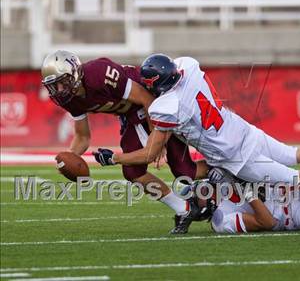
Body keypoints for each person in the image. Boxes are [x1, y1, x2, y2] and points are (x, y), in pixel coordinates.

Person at [93, 53, 300, 233]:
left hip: (234, 155)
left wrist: (114, 159)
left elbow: (151, 152)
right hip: (241, 129)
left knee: (292, 176)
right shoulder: (189, 67)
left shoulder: (165, 107)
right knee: (295, 153)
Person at [41, 50, 207, 233]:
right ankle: (184, 209)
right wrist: (69, 158)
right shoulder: (70, 100)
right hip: (132, 115)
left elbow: (146, 97)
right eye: (54, 86)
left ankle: (222, 173)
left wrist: (156, 138)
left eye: (62, 82)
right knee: (133, 172)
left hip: (157, 102)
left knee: (184, 171)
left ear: (74, 72)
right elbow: (83, 137)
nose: (59, 90)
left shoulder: (99, 74)